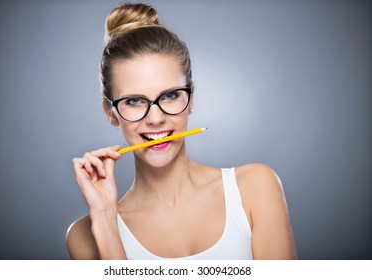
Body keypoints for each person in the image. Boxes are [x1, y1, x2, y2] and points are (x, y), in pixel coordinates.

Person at [66, 3, 297, 260]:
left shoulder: (255, 187)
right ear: (110, 112)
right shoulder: (84, 235)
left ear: (191, 99)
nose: (156, 118)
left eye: (170, 96)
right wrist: (106, 219)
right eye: (134, 101)